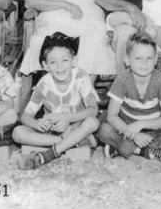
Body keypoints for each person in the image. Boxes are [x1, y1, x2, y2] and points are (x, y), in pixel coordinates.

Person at [14, 32, 100, 170]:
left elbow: (93, 109)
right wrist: (36, 124)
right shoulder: (44, 84)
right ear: (45, 65)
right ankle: (68, 143)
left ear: (74, 61)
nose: (59, 66)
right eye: (53, 62)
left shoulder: (80, 77)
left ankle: (47, 155)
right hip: (52, 133)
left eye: (64, 60)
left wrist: (68, 118)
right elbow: (25, 116)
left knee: (93, 122)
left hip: (74, 127)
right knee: (17, 132)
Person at [97, 32, 161, 164]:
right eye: (138, 58)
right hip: (126, 128)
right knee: (104, 130)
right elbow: (112, 116)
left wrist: (141, 124)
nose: (144, 63)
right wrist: (134, 135)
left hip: (153, 128)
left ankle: (121, 147)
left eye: (149, 58)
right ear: (128, 60)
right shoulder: (122, 80)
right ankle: (145, 151)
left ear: (155, 59)